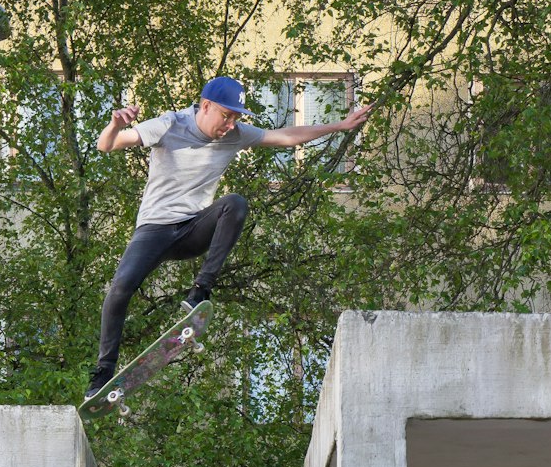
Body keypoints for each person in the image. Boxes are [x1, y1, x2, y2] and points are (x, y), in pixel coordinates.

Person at [85, 75, 374, 395]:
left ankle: (200, 293)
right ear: (206, 106)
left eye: (236, 118)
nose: (230, 125)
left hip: (193, 229)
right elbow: (107, 144)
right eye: (226, 116)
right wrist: (114, 124)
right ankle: (103, 371)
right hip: (154, 229)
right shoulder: (169, 124)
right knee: (122, 286)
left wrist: (339, 126)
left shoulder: (234, 134)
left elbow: (288, 137)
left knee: (234, 204)